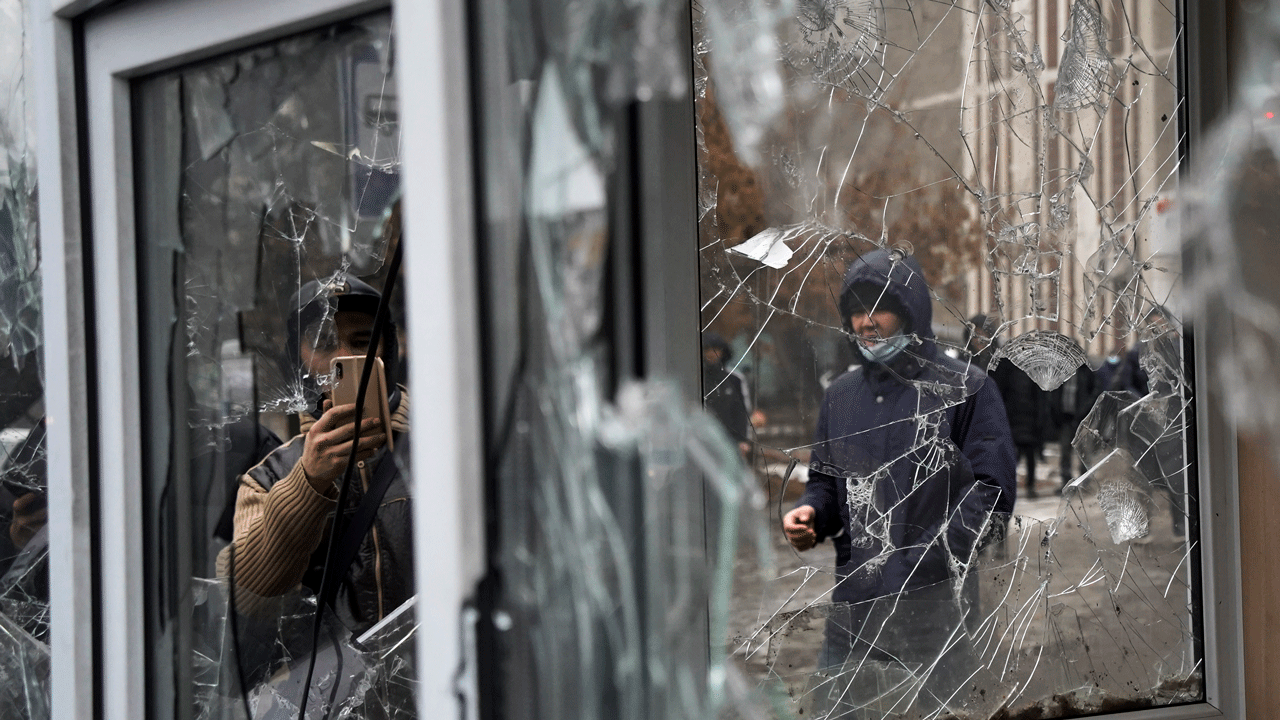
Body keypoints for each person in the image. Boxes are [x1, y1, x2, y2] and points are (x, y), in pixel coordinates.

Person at [781, 249, 1016, 708]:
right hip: (852, 617)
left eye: (879, 308)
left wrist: (919, 563)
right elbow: (827, 483)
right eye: (854, 311)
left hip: (936, 618)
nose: (865, 322)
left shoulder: (966, 387)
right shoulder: (841, 398)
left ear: (910, 310)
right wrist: (811, 512)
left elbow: (990, 494)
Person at [219, 276, 411, 634]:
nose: (343, 356)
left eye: (362, 341)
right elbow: (247, 596)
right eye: (323, 343)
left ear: (387, 350)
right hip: (339, 683)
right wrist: (308, 483)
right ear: (298, 360)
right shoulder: (272, 475)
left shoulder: (445, 447)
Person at [965, 314, 1052, 498]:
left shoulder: (1002, 363)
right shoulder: (963, 361)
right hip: (968, 423)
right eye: (975, 335)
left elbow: (1013, 394)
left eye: (983, 335)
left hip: (999, 422)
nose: (979, 341)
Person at [702, 332, 753, 456]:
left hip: (731, 442)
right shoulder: (697, 378)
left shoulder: (734, 379)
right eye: (707, 349)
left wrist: (742, 440)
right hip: (703, 443)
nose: (711, 353)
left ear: (723, 351)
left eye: (716, 349)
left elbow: (742, 411)